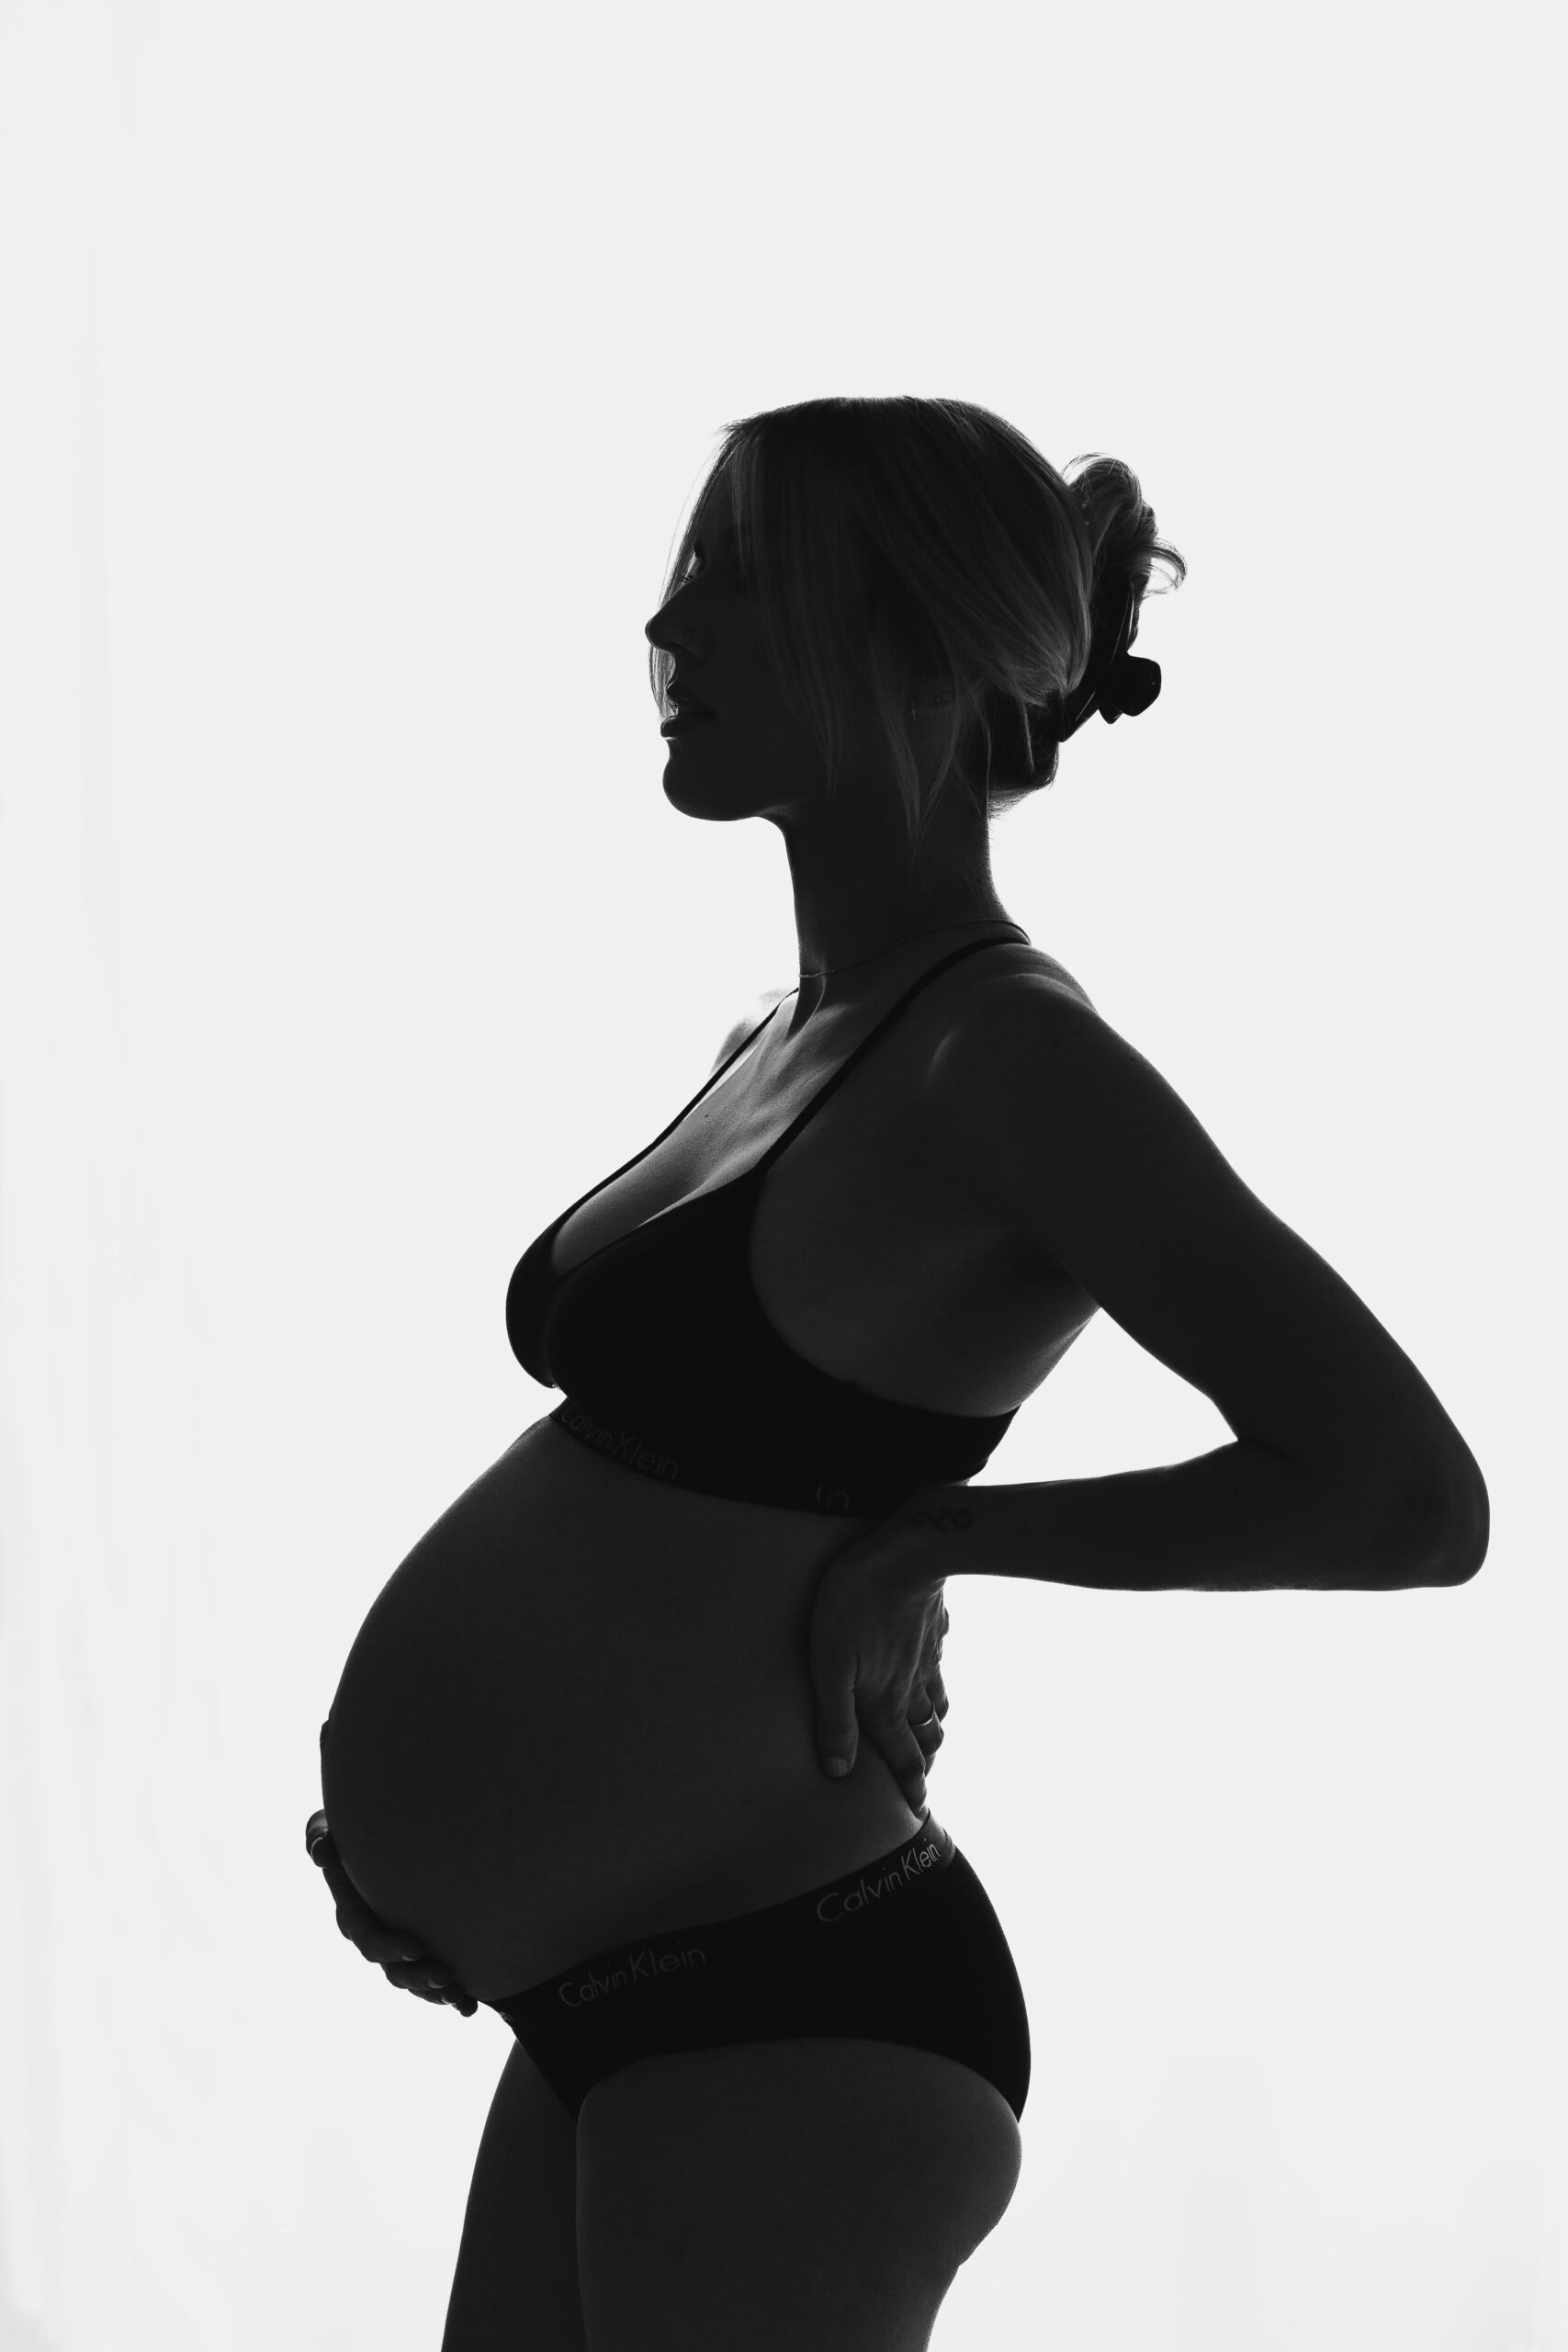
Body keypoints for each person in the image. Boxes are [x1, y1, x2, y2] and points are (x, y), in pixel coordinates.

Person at [305, 396, 1489, 2352]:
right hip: (626, 1984)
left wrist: (940, 1532)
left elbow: (1394, 1492)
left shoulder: (1001, 1053)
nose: (663, 629)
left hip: (797, 2005)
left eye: (730, 577)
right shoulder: (783, 1029)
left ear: (917, 638)